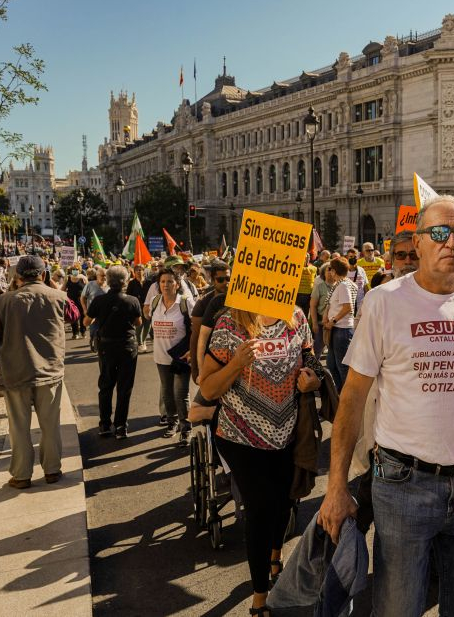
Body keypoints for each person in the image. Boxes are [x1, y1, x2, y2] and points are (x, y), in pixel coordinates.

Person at [318, 196, 454, 617]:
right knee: (398, 609)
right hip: (403, 485)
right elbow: (352, 399)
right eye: (439, 233)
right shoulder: (384, 301)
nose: (452, 241)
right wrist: (336, 486)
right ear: (417, 243)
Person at [200, 305, 324, 616]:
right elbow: (208, 388)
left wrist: (314, 379)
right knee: (260, 510)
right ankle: (260, 596)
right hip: (240, 436)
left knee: (284, 503)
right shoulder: (229, 323)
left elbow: (310, 359)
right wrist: (236, 364)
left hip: (287, 434)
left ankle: (275, 556)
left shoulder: (296, 317)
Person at [0, 256, 70, 489]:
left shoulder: (3, 302)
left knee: (18, 426)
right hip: (49, 370)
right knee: (50, 424)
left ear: (17, 276)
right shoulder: (58, 297)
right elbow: (74, 316)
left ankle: (21, 475)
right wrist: (53, 288)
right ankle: (52, 470)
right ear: (44, 275)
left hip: (15, 370)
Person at [84, 265, 142, 440]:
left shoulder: (99, 300)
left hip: (106, 347)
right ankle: (121, 426)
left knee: (106, 385)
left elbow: (86, 322)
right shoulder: (132, 300)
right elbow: (138, 322)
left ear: (108, 281)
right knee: (124, 388)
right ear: (125, 281)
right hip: (127, 346)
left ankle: (104, 424)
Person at [146, 269, 195, 444]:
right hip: (161, 357)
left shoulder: (186, 303)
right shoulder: (154, 301)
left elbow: (197, 328)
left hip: (181, 357)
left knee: (180, 394)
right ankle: (172, 423)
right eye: (162, 281)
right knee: (167, 393)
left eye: (170, 281)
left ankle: (186, 429)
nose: (166, 285)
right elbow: (148, 318)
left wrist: (192, 350)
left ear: (177, 284)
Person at [323, 258, 357, 392]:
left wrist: (333, 321)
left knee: (342, 367)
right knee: (332, 364)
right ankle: (341, 393)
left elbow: (348, 307)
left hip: (341, 330)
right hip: (337, 329)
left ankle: (347, 395)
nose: (329, 272)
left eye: (330, 269)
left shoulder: (343, 285)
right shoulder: (341, 284)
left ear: (334, 271)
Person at [308, 261, 333, 358]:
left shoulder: (340, 286)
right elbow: (313, 306)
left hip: (335, 324)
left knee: (333, 351)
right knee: (317, 350)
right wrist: (314, 323)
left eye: (333, 269)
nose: (331, 272)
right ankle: (314, 366)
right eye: (328, 269)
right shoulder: (319, 287)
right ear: (323, 273)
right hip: (321, 323)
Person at [126, 264, 148, 351]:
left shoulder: (148, 282)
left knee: (147, 326)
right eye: (137, 270)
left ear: (144, 271)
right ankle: (140, 343)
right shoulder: (132, 283)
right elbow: (128, 295)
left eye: (141, 270)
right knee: (139, 326)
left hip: (148, 307)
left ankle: (144, 340)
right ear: (134, 272)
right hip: (137, 308)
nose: (139, 271)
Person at [64, 265, 88, 339]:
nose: (75, 270)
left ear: (79, 270)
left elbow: (88, 288)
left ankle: (83, 331)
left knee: (82, 315)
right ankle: (75, 333)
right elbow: (63, 288)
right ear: (71, 271)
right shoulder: (68, 278)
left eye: (76, 269)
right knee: (73, 316)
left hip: (81, 300)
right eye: (73, 269)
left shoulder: (83, 278)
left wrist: (85, 278)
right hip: (71, 301)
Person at [295, 252, 316, 317]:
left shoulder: (296, 267)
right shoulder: (314, 269)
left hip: (298, 293)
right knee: (305, 312)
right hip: (308, 294)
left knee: (296, 313)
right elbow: (315, 279)